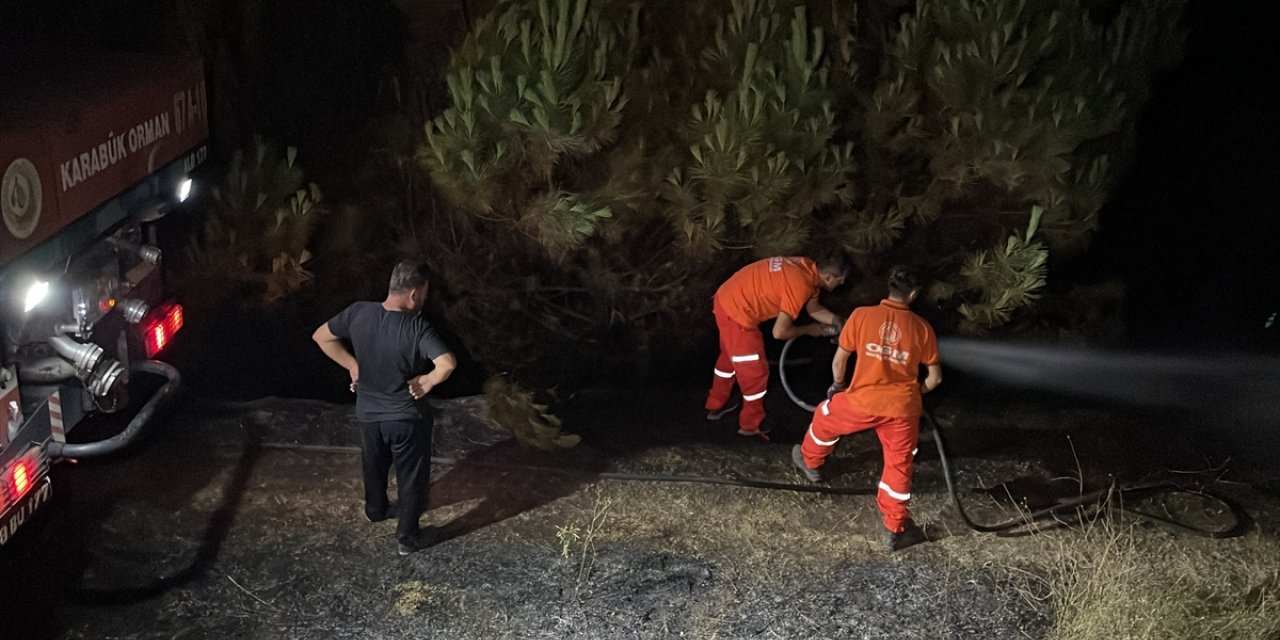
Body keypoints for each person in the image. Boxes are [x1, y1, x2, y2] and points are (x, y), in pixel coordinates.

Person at [791, 265, 942, 551]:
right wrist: (912, 394)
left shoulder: (862, 316)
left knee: (824, 417)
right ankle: (895, 530)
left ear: (890, 287)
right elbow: (934, 379)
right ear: (913, 293)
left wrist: (838, 388)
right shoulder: (922, 328)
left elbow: (839, 363)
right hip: (902, 410)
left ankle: (811, 464)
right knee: (899, 465)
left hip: (861, 401)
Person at [312, 260, 457, 556]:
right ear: (414, 294)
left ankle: (376, 510)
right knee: (411, 476)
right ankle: (408, 536)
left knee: (373, 464)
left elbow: (321, 337)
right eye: (425, 293)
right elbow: (447, 363)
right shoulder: (416, 327)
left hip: (367, 415)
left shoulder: (358, 312)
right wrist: (427, 381)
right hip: (405, 418)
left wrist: (353, 366)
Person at [705, 251, 848, 439]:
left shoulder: (806, 267)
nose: (843, 284)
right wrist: (810, 329)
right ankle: (750, 425)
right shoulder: (800, 285)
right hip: (737, 315)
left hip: (726, 299)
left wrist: (837, 321)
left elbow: (814, 309)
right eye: (841, 279)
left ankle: (716, 405)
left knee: (728, 361)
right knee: (755, 372)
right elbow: (779, 332)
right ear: (829, 277)